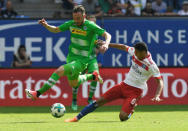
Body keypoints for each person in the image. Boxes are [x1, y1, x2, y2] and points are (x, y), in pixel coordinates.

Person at [25, 5, 111, 101]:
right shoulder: (71, 24)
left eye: (78, 18)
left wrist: (106, 44)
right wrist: (47, 25)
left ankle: (37, 93)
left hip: (81, 61)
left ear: (84, 16)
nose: (76, 20)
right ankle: (92, 76)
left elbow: (107, 34)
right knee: (74, 83)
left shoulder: (90, 26)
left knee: (59, 71)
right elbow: (56, 29)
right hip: (70, 59)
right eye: (74, 18)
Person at [64, 41, 164, 122]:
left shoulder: (151, 66)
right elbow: (123, 47)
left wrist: (157, 95)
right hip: (123, 85)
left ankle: (130, 112)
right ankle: (76, 118)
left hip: (136, 91)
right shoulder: (135, 51)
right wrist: (107, 44)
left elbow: (160, 82)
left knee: (122, 117)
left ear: (143, 52)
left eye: (137, 53)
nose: (135, 54)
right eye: (135, 52)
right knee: (99, 101)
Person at [71, 15, 104, 111]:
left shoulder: (96, 33)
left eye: (95, 22)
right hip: (81, 59)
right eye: (91, 22)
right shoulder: (81, 32)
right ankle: (74, 100)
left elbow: (97, 47)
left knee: (96, 75)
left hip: (92, 59)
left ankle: (90, 98)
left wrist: (100, 46)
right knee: (76, 80)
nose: (93, 24)